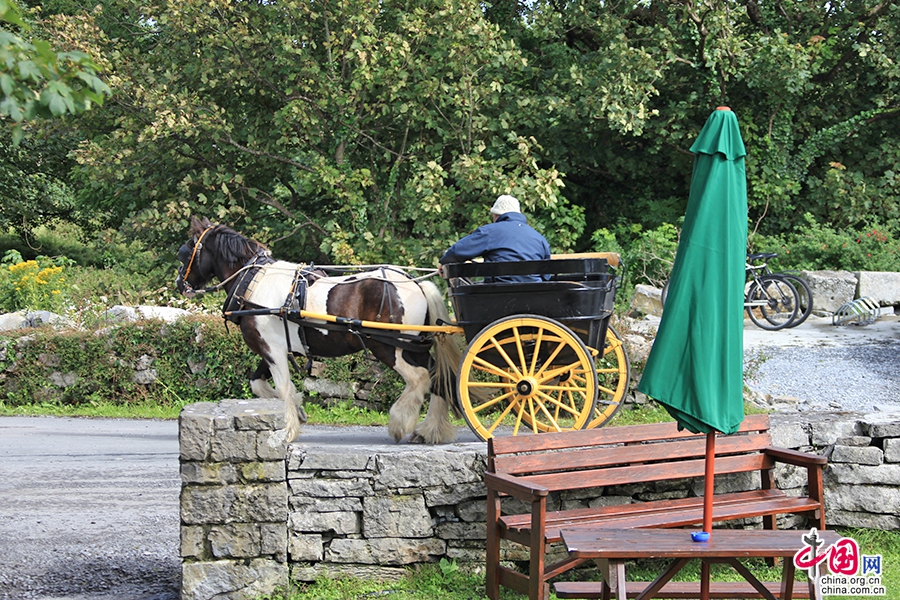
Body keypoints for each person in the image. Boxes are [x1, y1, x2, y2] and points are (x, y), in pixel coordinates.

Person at [439, 195, 551, 283]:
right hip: (535, 295)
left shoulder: (490, 232)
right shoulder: (539, 238)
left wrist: (444, 263)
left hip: (497, 295)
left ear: (496, 215)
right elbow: (546, 275)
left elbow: (459, 250)